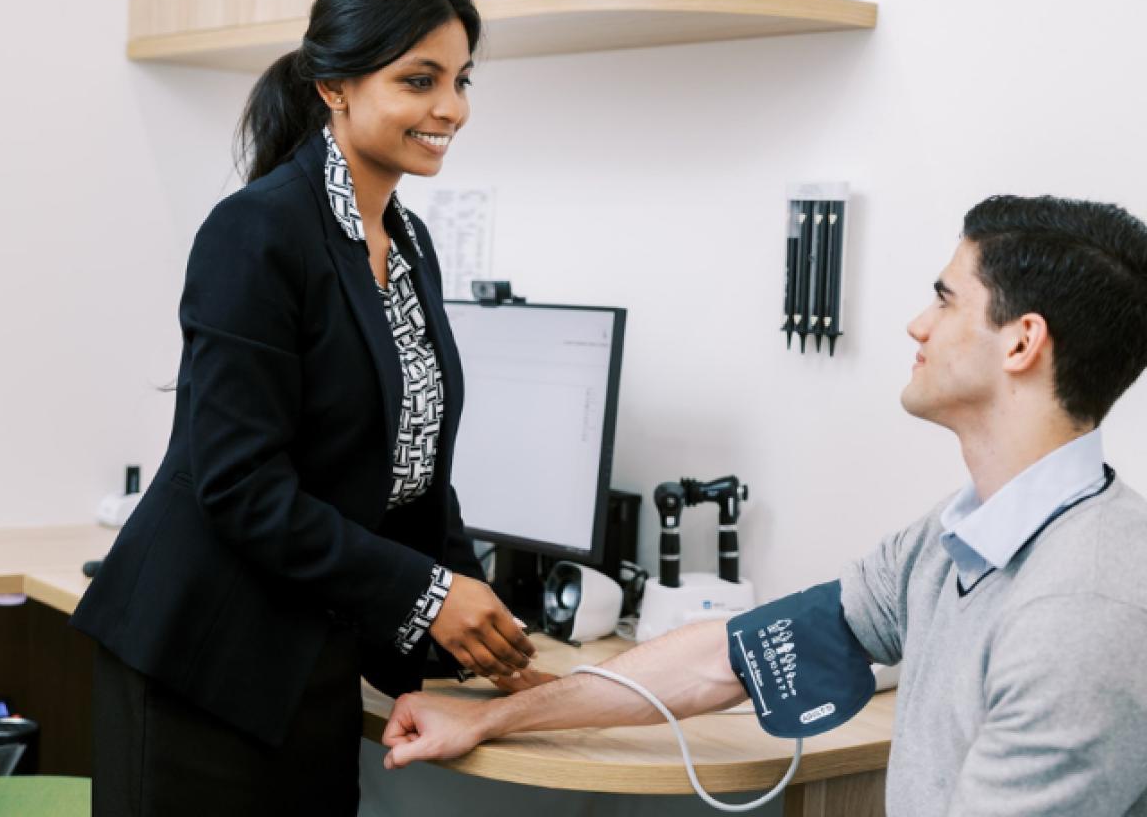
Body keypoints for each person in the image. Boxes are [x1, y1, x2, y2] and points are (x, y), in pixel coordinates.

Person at [383, 195, 1147, 816]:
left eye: (945, 301)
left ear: (1022, 344)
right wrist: (488, 716)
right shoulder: (954, 536)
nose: (918, 323)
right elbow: (729, 659)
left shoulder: (1084, 610)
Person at [70, 0, 547, 817]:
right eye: (420, 79)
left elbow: (410, 477)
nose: (451, 108)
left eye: (461, 81)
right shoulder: (256, 232)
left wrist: (493, 635)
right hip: (202, 659)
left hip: (311, 661)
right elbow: (240, 484)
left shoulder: (407, 246)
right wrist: (430, 597)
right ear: (334, 86)